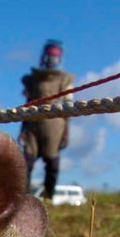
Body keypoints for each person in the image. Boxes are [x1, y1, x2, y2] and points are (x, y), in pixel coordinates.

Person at [18, 39, 75, 200]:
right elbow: (27, 104)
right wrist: (23, 130)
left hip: (55, 126)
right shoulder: (33, 80)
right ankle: (21, 197)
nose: (52, 59)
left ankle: (49, 196)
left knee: (52, 163)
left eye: (55, 56)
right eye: (49, 55)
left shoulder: (65, 80)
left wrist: (66, 133)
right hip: (33, 124)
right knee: (26, 162)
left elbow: (68, 108)